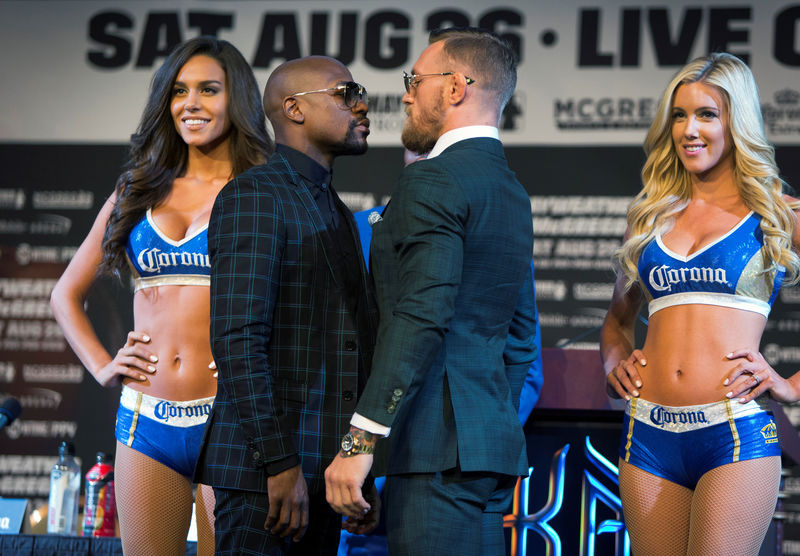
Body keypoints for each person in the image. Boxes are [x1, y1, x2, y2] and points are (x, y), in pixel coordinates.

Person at [49, 36, 271, 555]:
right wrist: (104, 366)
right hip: (146, 418)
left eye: (208, 90)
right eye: (178, 91)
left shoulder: (263, 187)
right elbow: (65, 295)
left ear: (235, 97)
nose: (190, 103)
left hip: (232, 416)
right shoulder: (138, 189)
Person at [325, 27, 537, 556]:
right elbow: (520, 338)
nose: (406, 95)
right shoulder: (510, 190)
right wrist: (484, 425)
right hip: (485, 452)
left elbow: (420, 317)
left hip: (433, 450)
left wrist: (359, 442)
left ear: (457, 87)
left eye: (415, 80)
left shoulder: (432, 180)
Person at [601, 52, 800, 555]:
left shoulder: (779, 214)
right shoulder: (649, 218)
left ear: (738, 122)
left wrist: (789, 386)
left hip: (733, 435)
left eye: (707, 114)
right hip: (646, 435)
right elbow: (617, 321)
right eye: (680, 115)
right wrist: (613, 363)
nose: (690, 129)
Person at [192, 55, 378, 555]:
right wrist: (278, 463)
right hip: (266, 478)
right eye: (346, 93)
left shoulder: (335, 209)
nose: (363, 105)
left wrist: (358, 465)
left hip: (323, 476)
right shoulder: (254, 195)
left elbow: (350, 351)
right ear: (294, 109)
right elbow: (236, 340)